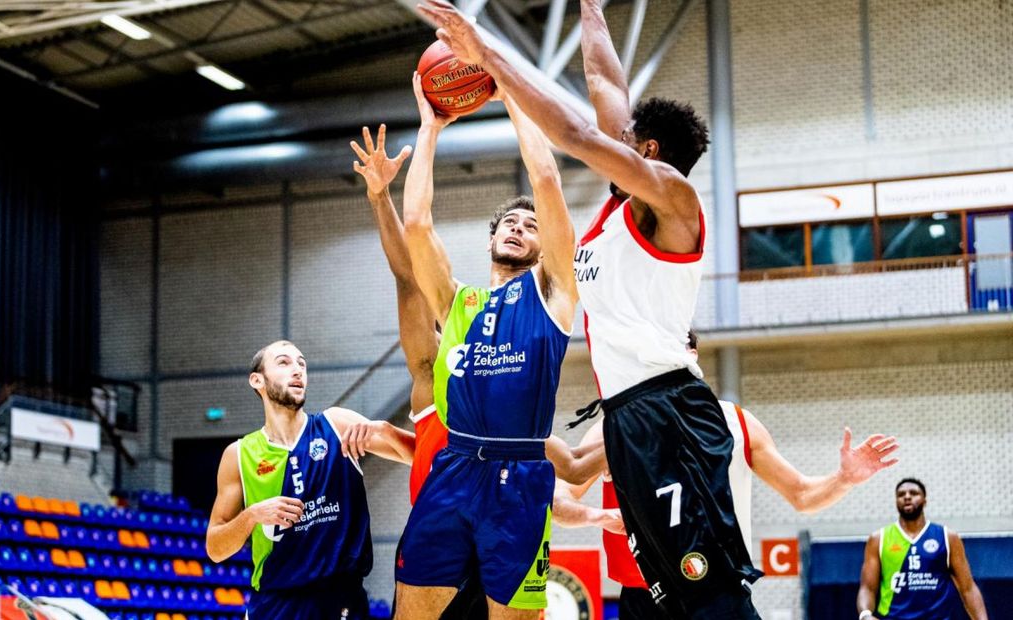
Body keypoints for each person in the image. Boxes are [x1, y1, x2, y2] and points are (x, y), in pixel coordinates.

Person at [414, 2, 748, 616]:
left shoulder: (673, 200)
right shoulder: (623, 202)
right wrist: (591, 13)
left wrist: (486, 54)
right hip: (628, 416)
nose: (610, 139)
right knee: (665, 592)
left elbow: (574, 136)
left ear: (646, 150)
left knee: (707, 590)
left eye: (624, 139)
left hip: (669, 411)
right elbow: (606, 86)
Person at [394, 73, 604, 618]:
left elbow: (547, 181)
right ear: (490, 239)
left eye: (528, 225)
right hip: (454, 467)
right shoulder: (456, 302)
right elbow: (416, 223)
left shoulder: (554, 294)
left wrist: (510, 96)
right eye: (508, 222)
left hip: (520, 475)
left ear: (542, 248)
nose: (517, 227)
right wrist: (430, 128)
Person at [555, 334, 901, 619]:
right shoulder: (613, 430)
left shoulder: (737, 423)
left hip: (721, 588)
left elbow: (802, 495)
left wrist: (843, 479)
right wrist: (597, 516)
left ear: (692, 357)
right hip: (645, 596)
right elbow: (557, 500)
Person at [351, 123, 487, 619]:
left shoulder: (507, 385)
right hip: (438, 541)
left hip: (499, 536)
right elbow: (408, 277)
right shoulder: (432, 376)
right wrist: (380, 196)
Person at [205, 340, 415, 620]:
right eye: (284, 362)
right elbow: (215, 549)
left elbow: (419, 457)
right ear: (257, 380)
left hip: (341, 600)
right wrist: (252, 515)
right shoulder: (239, 455)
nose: (297, 370)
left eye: (301, 364)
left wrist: (387, 431)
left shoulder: (336, 425)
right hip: (274, 604)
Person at [857, 478, 989, 620]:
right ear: (896, 502)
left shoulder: (947, 537)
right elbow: (867, 588)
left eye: (913, 493)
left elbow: (967, 588)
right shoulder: (879, 539)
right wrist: (865, 615)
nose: (907, 497)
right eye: (901, 495)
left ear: (925, 500)